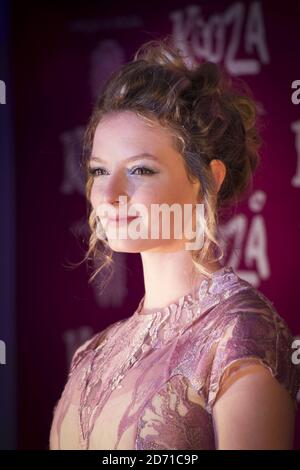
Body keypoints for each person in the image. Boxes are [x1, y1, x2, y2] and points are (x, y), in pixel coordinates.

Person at [49, 37, 300, 450]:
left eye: (141, 170)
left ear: (209, 181)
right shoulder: (93, 353)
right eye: (98, 170)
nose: (109, 194)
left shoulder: (239, 335)